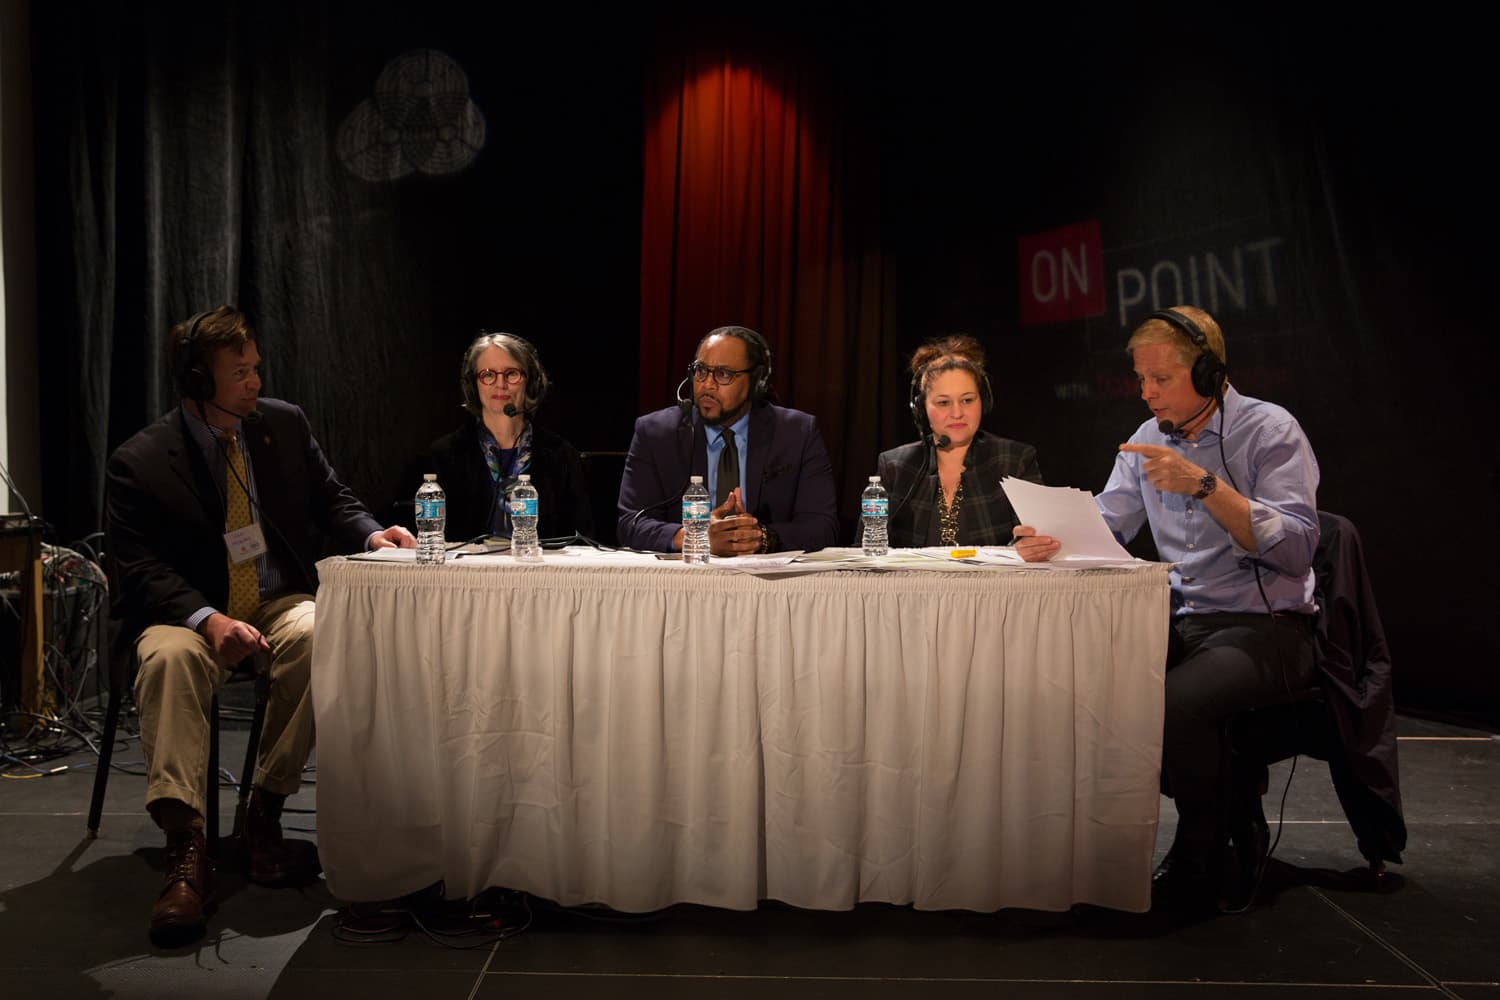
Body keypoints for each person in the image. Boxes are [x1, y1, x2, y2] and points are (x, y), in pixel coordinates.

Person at [106, 306, 415, 946]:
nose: (255, 382)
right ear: (197, 381)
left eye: (255, 368)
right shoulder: (140, 460)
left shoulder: (280, 424)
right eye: (239, 372)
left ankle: (264, 815)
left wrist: (371, 534)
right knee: (169, 660)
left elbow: (332, 497)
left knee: (321, 631)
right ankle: (186, 847)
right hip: (186, 611)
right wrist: (208, 617)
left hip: (272, 597)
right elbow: (135, 566)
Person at [1014, 305, 1320, 912]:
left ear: (1207, 374)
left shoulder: (1269, 430)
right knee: (1101, 688)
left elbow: (1298, 547)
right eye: (1141, 379)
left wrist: (1208, 487)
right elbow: (1110, 522)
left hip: (1269, 628)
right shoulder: (1148, 438)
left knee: (1175, 705)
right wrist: (1051, 536)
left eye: (1162, 379)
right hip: (1182, 619)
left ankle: (1198, 854)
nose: (1147, 393)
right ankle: (1230, 819)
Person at [616, 325, 838, 555]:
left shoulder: (797, 433)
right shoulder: (656, 433)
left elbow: (823, 526)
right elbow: (630, 523)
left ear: (757, 381)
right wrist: (696, 537)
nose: (707, 385)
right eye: (700, 370)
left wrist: (760, 537)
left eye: (724, 374)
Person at [412, 332, 592, 543]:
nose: (501, 384)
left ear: (530, 382)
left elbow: (582, 537)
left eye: (511, 374)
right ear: (474, 385)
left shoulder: (560, 454)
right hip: (467, 573)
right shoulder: (444, 455)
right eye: (488, 375)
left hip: (539, 571)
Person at [877, 335, 1042, 547]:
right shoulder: (895, 466)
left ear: (983, 401)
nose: (957, 413)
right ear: (921, 409)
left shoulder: (1015, 460)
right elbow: (866, 549)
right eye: (943, 402)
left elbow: (1035, 541)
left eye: (967, 400)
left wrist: (1028, 548)